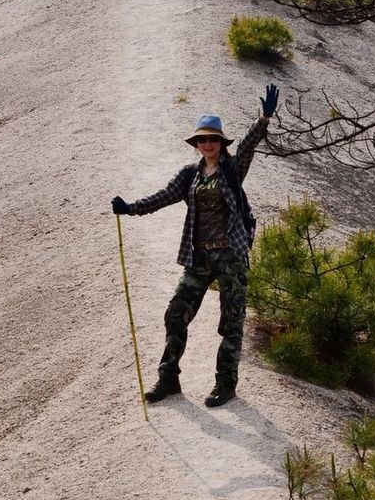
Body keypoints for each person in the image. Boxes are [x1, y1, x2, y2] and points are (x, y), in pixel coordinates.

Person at [111, 83, 279, 408]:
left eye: (212, 139)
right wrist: (130, 207)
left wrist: (263, 120)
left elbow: (246, 148)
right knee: (176, 314)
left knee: (232, 321)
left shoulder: (232, 169)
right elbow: (163, 196)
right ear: (197, 143)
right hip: (198, 256)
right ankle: (168, 379)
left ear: (220, 142)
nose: (207, 144)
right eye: (202, 140)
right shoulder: (190, 175)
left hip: (231, 256)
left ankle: (225, 384)